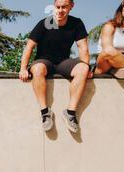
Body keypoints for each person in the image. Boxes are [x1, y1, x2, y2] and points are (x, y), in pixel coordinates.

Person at [19, 0, 92, 134]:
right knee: (37, 69)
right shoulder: (44, 23)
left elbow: (83, 47)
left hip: (64, 62)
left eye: (64, 7)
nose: (60, 10)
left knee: (83, 68)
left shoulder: (76, 23)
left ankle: (70, 113)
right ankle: (45, 113)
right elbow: (29, 47)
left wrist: (86, 66)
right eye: (57, 7)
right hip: (44, 61)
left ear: (71, 6)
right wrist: (23, 68)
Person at [94, 0, 124, 79]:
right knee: (109, 51)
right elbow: (107, 50)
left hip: (121, 61)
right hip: (104, 62)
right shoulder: (110, 26)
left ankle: (119, 69)